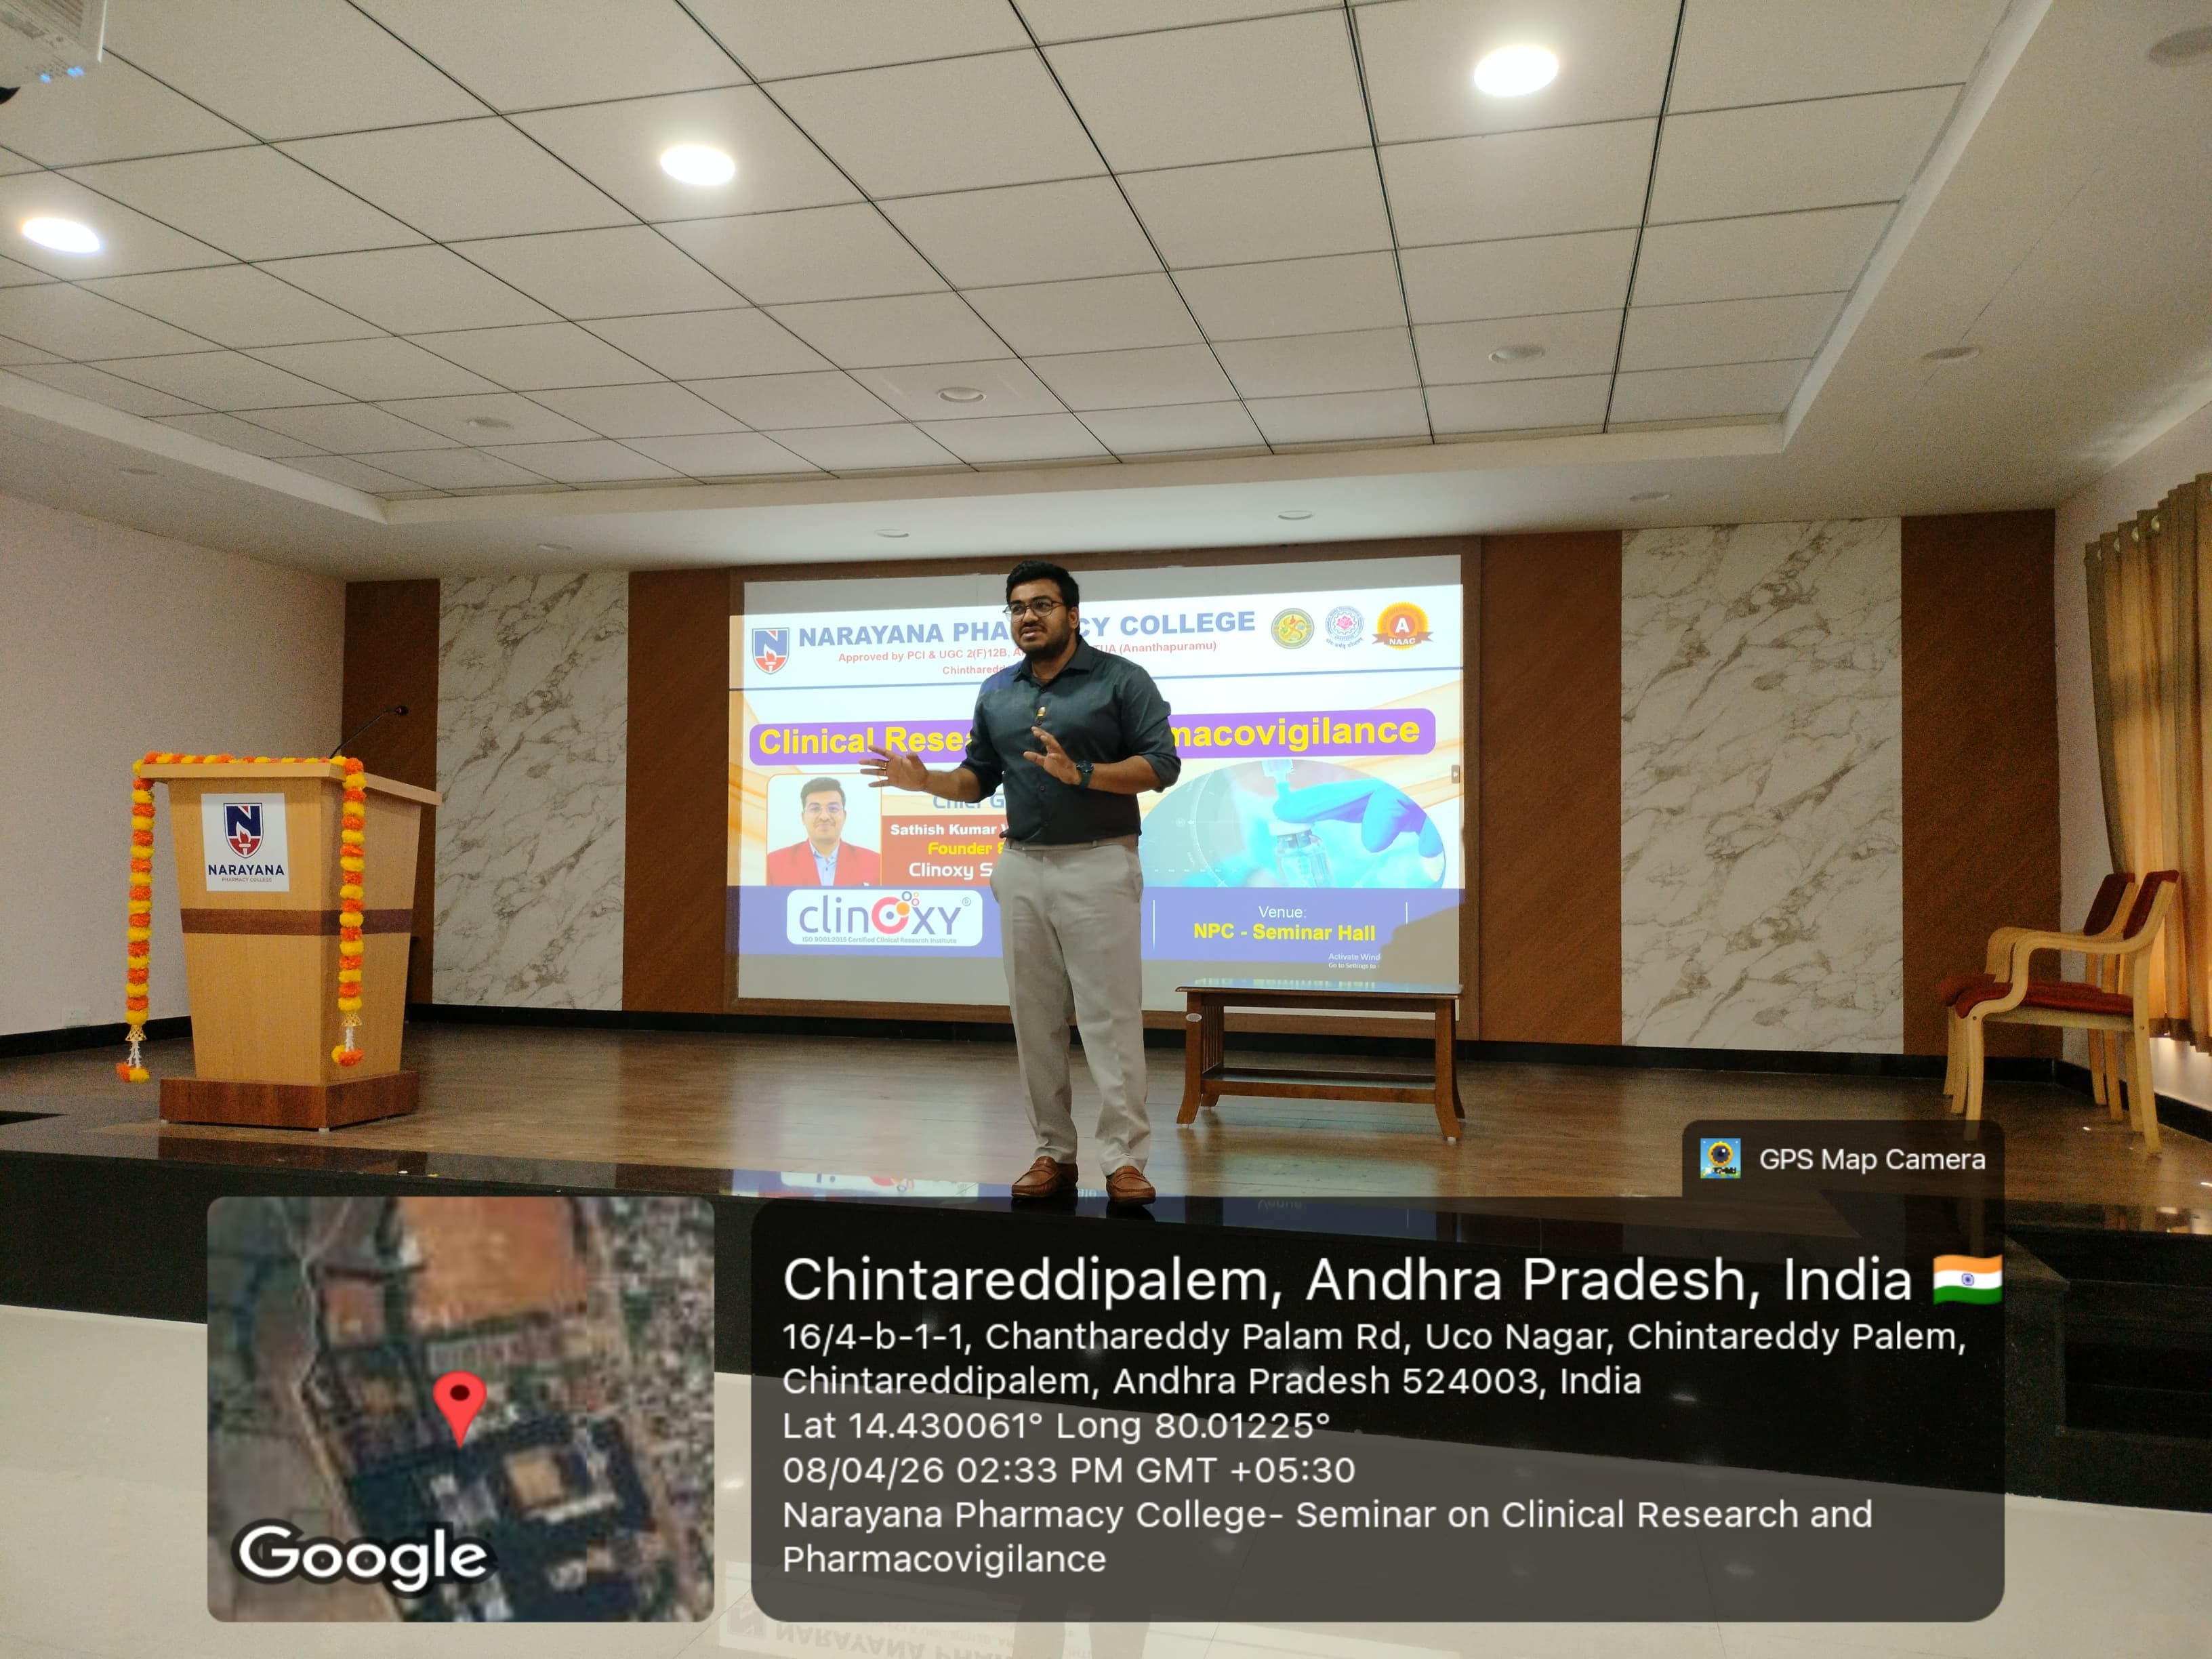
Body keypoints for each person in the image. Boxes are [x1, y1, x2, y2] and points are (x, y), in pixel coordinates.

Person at [861, 560, 1180, 1206]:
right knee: (1034, 1020)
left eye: (1042, 605)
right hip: (1022, 864)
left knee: (1109, 1018)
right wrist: (925, 782)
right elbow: (977, 777)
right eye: (1017, 608)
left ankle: (1123, 1159)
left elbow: (1161, 765)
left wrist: (1081, 774)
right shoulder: (997, 691)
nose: (1028, 617)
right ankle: (1052, 1153)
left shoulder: (1121, 679)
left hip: (1099, 861)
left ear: (1073, 615)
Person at [764, 776, 880, 886]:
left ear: (844, 816)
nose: (824, 817)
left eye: (833, 809)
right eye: (815, 809)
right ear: (803, 817)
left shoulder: (874, 863)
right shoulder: (774, 864)